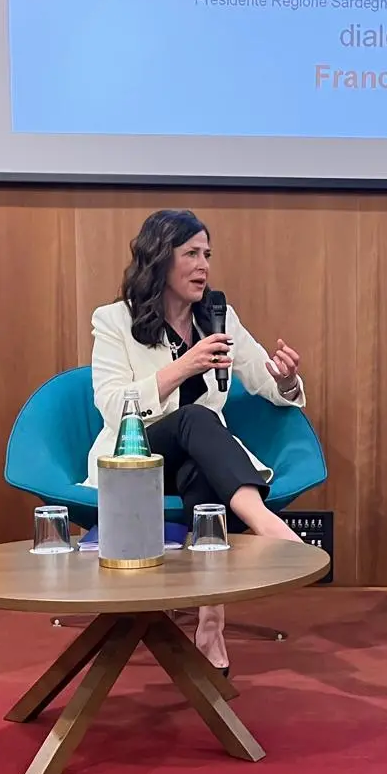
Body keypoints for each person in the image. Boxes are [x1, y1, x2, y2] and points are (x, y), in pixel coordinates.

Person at [86, 209, 306, 676]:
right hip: (136, 455)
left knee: (201, 470)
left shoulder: (218, 316)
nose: (203, 265)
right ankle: (266, 525)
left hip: (194, 459)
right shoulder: (114, 320)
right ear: (160, 258)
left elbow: (265, 380)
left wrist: (286, 380)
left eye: (207, 254)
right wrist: (184, 367)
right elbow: (112, 406)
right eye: (191, 254)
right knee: (194, 417)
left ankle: (211, 623)